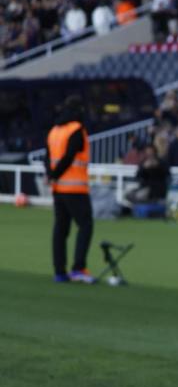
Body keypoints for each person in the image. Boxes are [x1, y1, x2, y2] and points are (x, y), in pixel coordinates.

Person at [45, 94, 94, 284]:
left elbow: (47, 157)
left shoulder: (55, 131)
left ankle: (59, 271)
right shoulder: (76, 130)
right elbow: (70, 156)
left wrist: (51, 175)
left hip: (58, 189)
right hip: (75, 187)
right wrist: (56, 174)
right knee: (85, 225)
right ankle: (79, 267)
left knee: (60, 229)